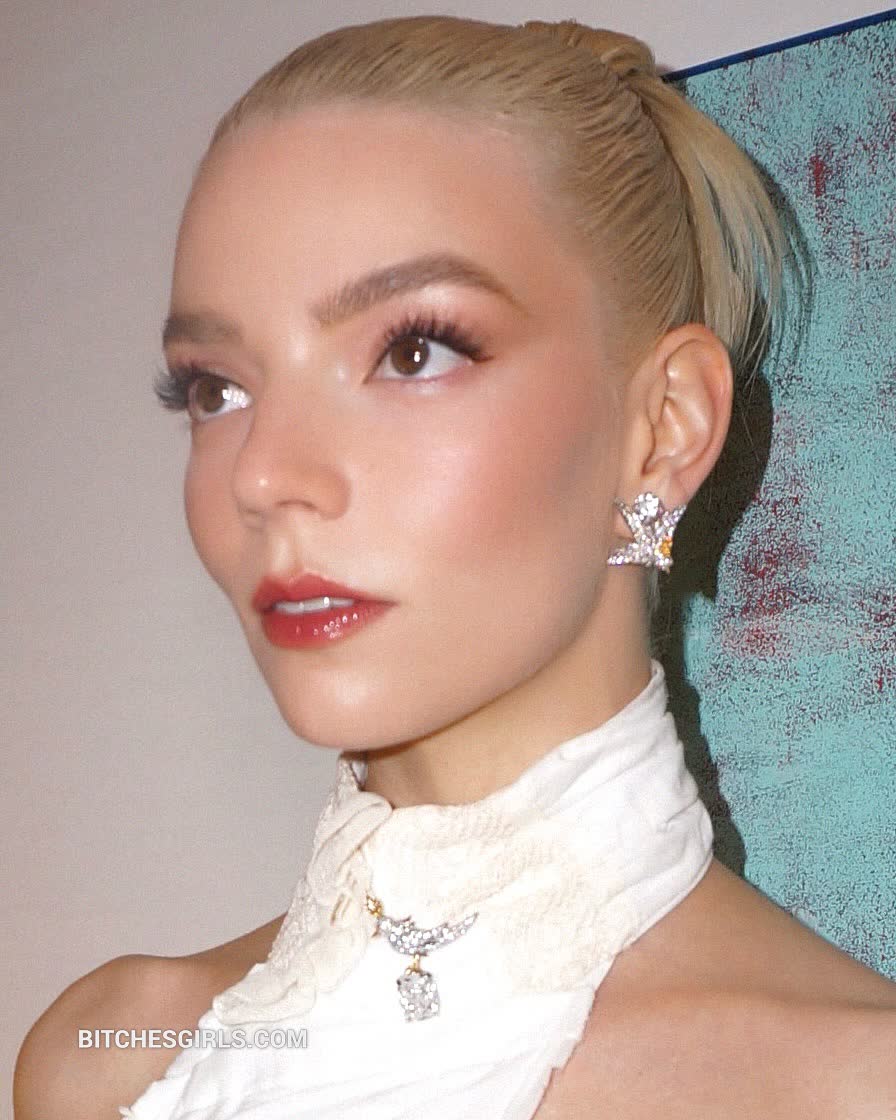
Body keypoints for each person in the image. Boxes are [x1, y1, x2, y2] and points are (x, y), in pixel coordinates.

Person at [14, 14, 896, 1119]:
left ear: (663, 429)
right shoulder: (111, 1056)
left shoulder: (854, 1084)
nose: (263, 474)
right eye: (216, 388)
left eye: (411, 351)